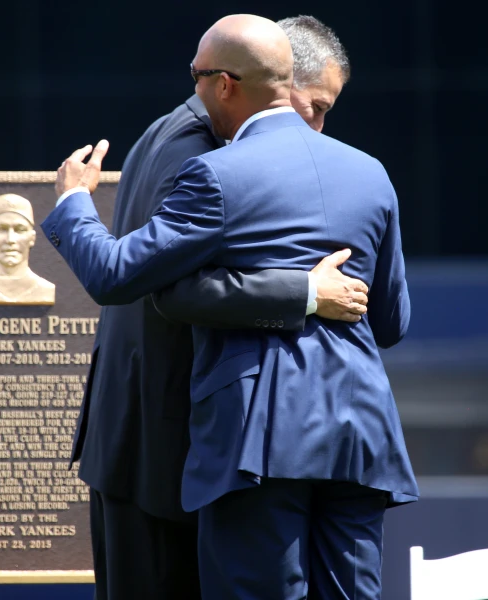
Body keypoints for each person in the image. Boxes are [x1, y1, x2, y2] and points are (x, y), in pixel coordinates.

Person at [44, 13, 418, 600]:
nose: (316, 125)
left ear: (223, 83)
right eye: (315, 105)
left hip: (255, 439)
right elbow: (392, 320)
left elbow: (142, 283)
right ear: (286, 80)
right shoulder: (370, 171)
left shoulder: (217, 170)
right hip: (360, 435)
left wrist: (72, 204)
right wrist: (309, 293)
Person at [0, 193, 55, 305]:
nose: (10, 239)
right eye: (1, 229)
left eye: (20, 230)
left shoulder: (45, 289)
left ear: (32, 238)